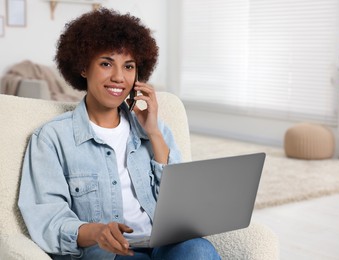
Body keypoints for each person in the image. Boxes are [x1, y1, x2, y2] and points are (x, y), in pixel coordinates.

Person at [18, 8, 220, 260]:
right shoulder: (51, 138)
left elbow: (183, 208)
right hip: (107, 254)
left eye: (128, 66)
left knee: (199, 250)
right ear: (83, 67)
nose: (118, 77)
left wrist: (154, 134)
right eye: (106, 63)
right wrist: (96, 232)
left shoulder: (156, 130)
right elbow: (47, 219)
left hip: (161, 244)